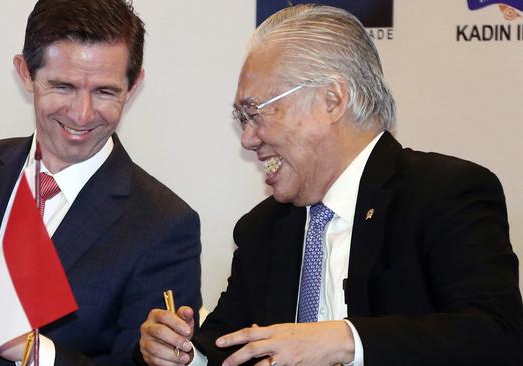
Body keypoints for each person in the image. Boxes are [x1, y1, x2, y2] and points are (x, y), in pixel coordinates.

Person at [138, 4, 522, 366]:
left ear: (332, 99)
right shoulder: (264, 229)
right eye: (241, 118)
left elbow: (496, 335)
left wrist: (342, 340)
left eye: (255, 113)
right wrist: (185, 357)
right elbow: (228, 346)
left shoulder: (442, 193)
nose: (247, 139)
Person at [0, 0, 201, 365]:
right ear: (25, 72)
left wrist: (30, 348)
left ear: (134, 83)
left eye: (105, 92)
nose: (82, 113)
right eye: (63, 86)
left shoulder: (165, 224)